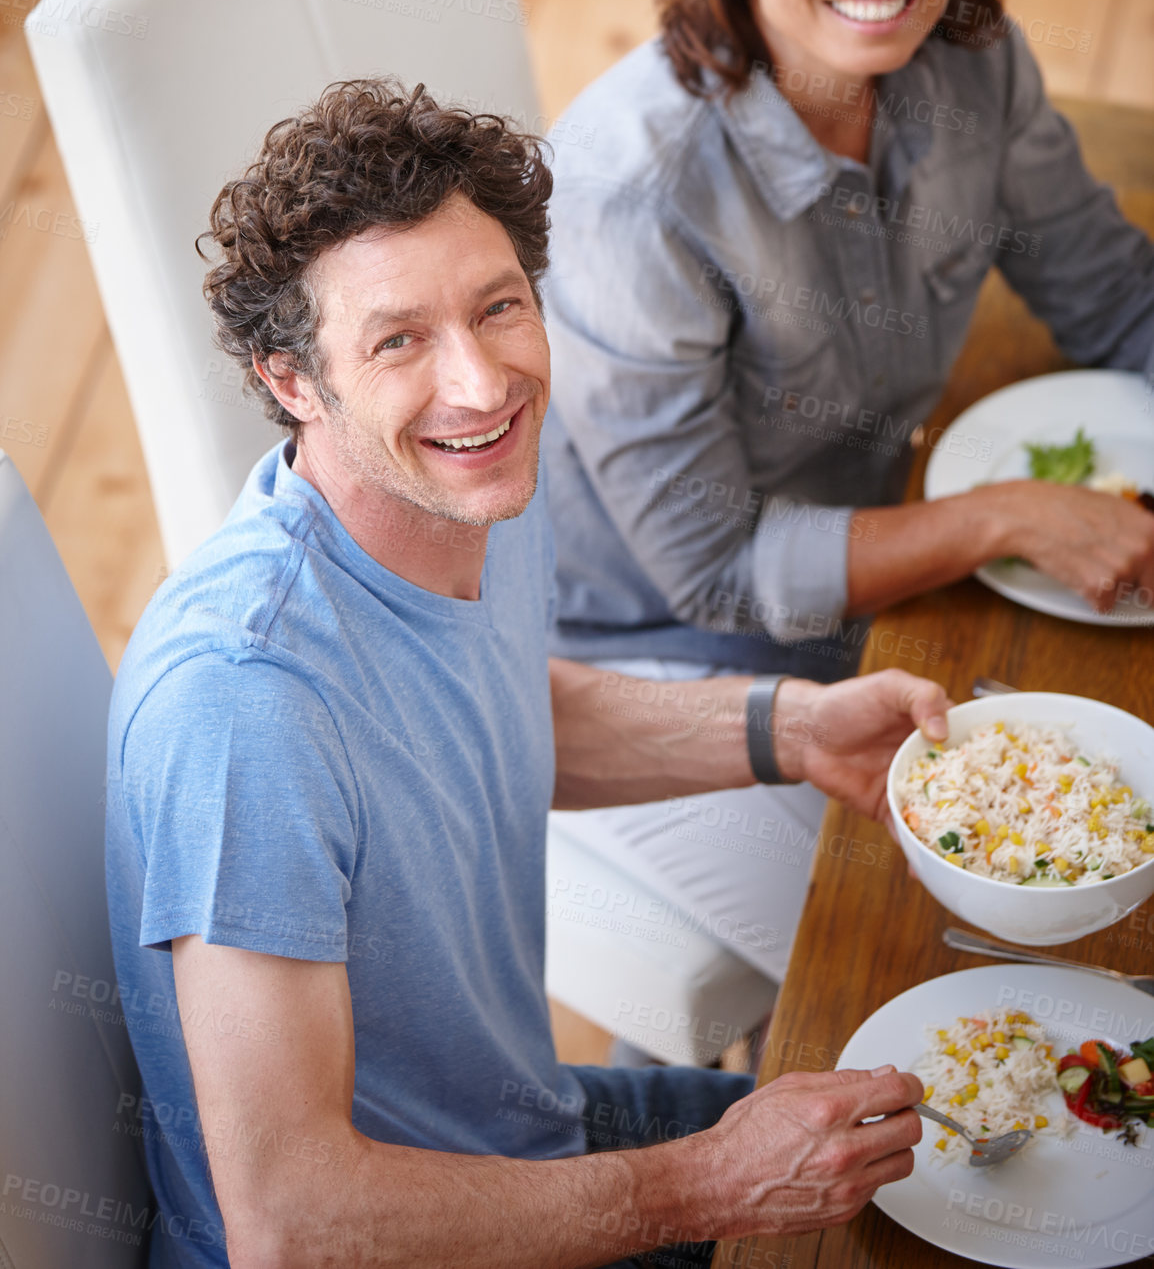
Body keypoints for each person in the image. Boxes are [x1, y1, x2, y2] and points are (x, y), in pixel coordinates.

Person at [106, 79, 941, 1268]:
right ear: (292, 383)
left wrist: (792, 729)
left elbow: (493, 708)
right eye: (398, 340)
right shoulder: (245, 706)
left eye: (498, 308)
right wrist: (701, 1182)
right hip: (389, 1238)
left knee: (942, 1147)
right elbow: (291, 1225)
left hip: (518, 1132)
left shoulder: (472, 483)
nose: (481, 383)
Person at [541, 0, 1154, 999]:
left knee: (1091, 850)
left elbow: (1107, 291)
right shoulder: (632, 183)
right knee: (953, 957)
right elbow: (713, 565)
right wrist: (996, 514)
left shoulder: (973, 64)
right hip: (629, 664)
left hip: (865, 581)